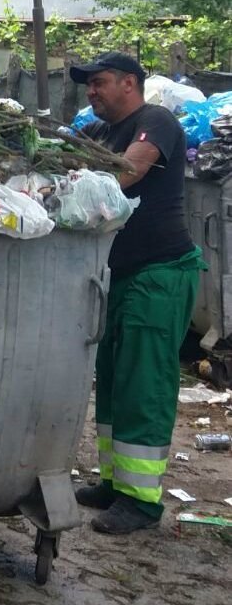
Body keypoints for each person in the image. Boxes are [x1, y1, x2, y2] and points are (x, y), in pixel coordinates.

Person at [70, 52, 205, 535]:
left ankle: (142, 502)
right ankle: (114, 482)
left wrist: (74, 183)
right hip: (119, 274)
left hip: (161, 272)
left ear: (130, 82)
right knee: (111, 379)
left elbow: (126, 174)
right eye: (87, 85)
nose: (91, 92)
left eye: (99, 82)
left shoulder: (156, 121)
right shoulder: (100, 132)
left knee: (144, 383)